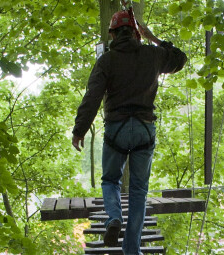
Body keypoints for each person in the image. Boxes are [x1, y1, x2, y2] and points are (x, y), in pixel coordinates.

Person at [71, 11, 187, 255]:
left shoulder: (107, 61)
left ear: (112, 34)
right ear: (135, 33)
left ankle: (113, 218)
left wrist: (79, 130)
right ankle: (132, 250)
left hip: (117, 129)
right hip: (145, 128)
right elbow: (180, 59)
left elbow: (92, 97)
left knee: (111, 180)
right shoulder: (153, 55)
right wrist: (153, 38)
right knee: (138, 191)